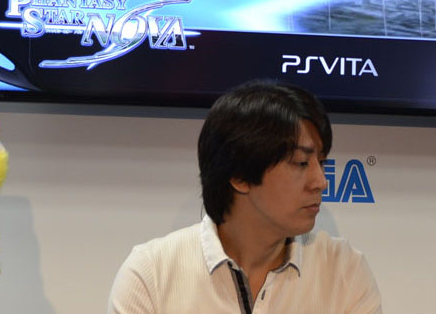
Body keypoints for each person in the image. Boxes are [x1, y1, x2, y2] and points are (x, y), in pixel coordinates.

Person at [108, 80, 382, 314]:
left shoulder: (344, 270)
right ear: (239, 175)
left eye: (321, 163)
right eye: (301, 163)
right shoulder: (152, 274)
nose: (321, 182)